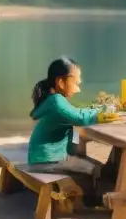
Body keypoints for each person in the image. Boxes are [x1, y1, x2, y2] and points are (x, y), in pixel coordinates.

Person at [26, 56, 113, 205]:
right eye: (75, 82)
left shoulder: (53, 100)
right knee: (92, 168)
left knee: (86, 162)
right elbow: (78, 117)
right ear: (61, 82)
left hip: (43, 157)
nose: (78, 88)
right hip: (47, 160)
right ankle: (93, 202)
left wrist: (95, 111)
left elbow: (75, 114)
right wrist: (101, 112)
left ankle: (95, 194)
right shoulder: (56, 101)